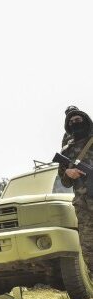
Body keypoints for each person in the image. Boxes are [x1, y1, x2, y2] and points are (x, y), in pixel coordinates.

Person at [58, 108, 93, 278]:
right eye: (71, 122)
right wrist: (68, 173)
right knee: (88, 248)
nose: (75, 123)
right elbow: (64, 182)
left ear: (86, 120)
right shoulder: (66, 151)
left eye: (78, 119)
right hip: (83, 206)